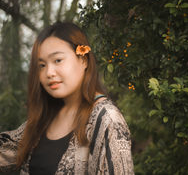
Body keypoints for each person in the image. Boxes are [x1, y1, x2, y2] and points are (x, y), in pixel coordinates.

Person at [0, 21, 134, 174]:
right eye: (42, 65)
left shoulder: (106, 119)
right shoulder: (46, 116)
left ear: (83, 60)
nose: (49, 72)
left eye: (58, 60)